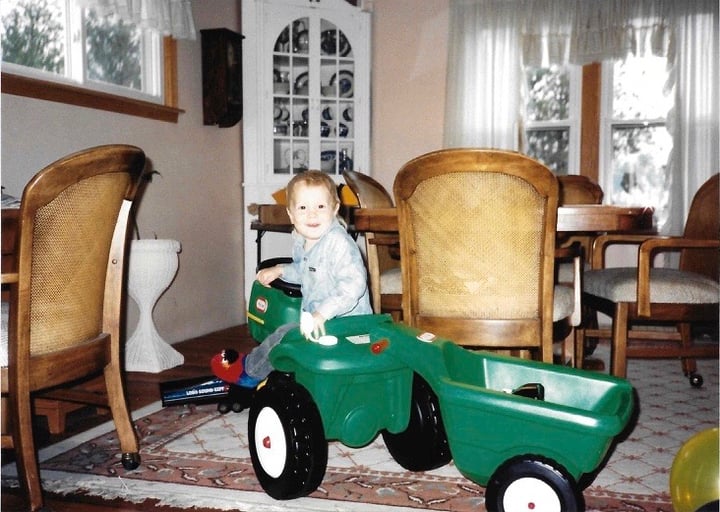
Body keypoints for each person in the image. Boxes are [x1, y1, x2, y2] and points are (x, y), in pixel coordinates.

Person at [211, 170, 372, 389]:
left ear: (334, 209)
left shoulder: (339, 244)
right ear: (291, 214)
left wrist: (321, 314)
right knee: (288, 335)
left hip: (348, 325)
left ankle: (249, 372)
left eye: (320, 207)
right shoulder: (302, 238)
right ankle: (282, 370)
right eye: (303, 208)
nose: (311, 215)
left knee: (285, 335)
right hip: (320, 321)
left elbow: (353, 286)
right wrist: (280, 270)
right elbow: (305, 270)